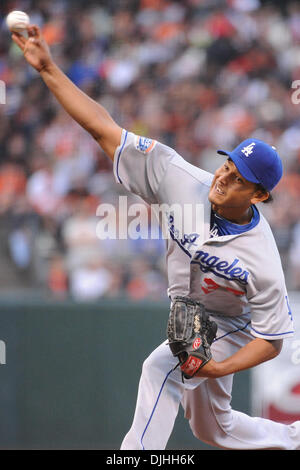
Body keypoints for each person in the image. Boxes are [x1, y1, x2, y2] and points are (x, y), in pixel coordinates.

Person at [12, 25, 300, 450]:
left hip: (232, 324)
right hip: (189, 311)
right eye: (227, 165)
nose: (224, 177)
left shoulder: (262, 259)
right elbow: (103, 129)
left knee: (160, 367)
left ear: (259, 195)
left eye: (239, 179)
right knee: (212, 429)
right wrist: (49, 68)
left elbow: (272, 342)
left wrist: (220, 369)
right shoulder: (177, 176)